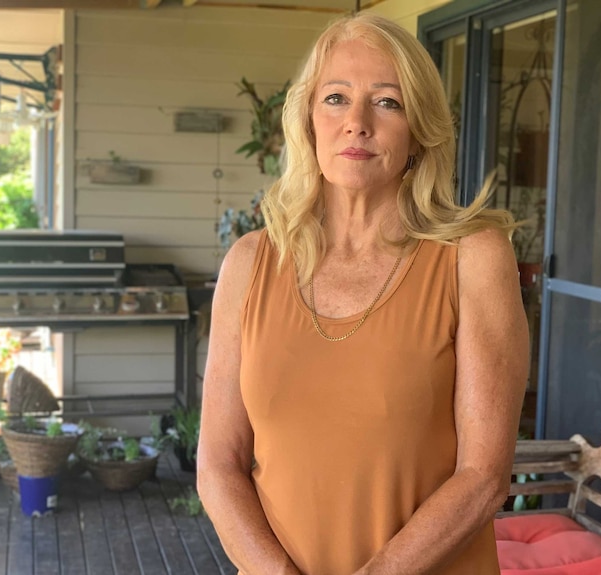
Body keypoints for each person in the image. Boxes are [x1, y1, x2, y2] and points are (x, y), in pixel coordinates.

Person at [198, 12, 530, 575]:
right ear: (307, 119)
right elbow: (217, 465)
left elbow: (482, 478)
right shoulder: (249, 264)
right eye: (335, 98)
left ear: (418, 130)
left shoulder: (473, 256)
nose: (356, 123)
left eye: (386, 102)